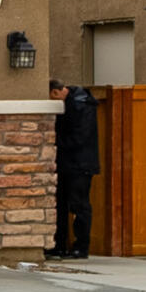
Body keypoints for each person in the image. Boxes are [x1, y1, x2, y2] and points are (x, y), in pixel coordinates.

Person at [51, 79, 100, 259]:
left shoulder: (81, 106)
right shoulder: (77, 103)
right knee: (62, 204)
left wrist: (55, 143)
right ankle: (60, 245)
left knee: (79, 205)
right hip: (70, 162)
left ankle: (80, 246)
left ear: (56, 93)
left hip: (80, 164)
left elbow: (79, 137)